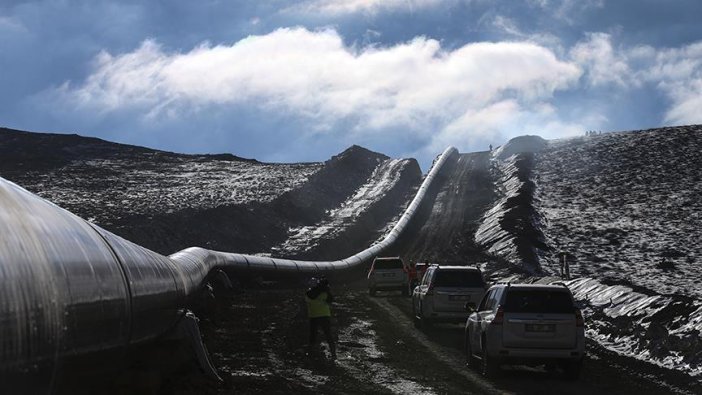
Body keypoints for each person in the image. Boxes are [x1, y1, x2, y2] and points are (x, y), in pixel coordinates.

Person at [305, 277, 337, 360]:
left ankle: (310, 354)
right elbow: (330, 300)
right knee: (328, 335)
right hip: (325, 316)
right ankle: (334, 355)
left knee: (312, 336)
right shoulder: (324, 293)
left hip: (313, 316)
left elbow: (309, 300)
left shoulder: (307, 293)